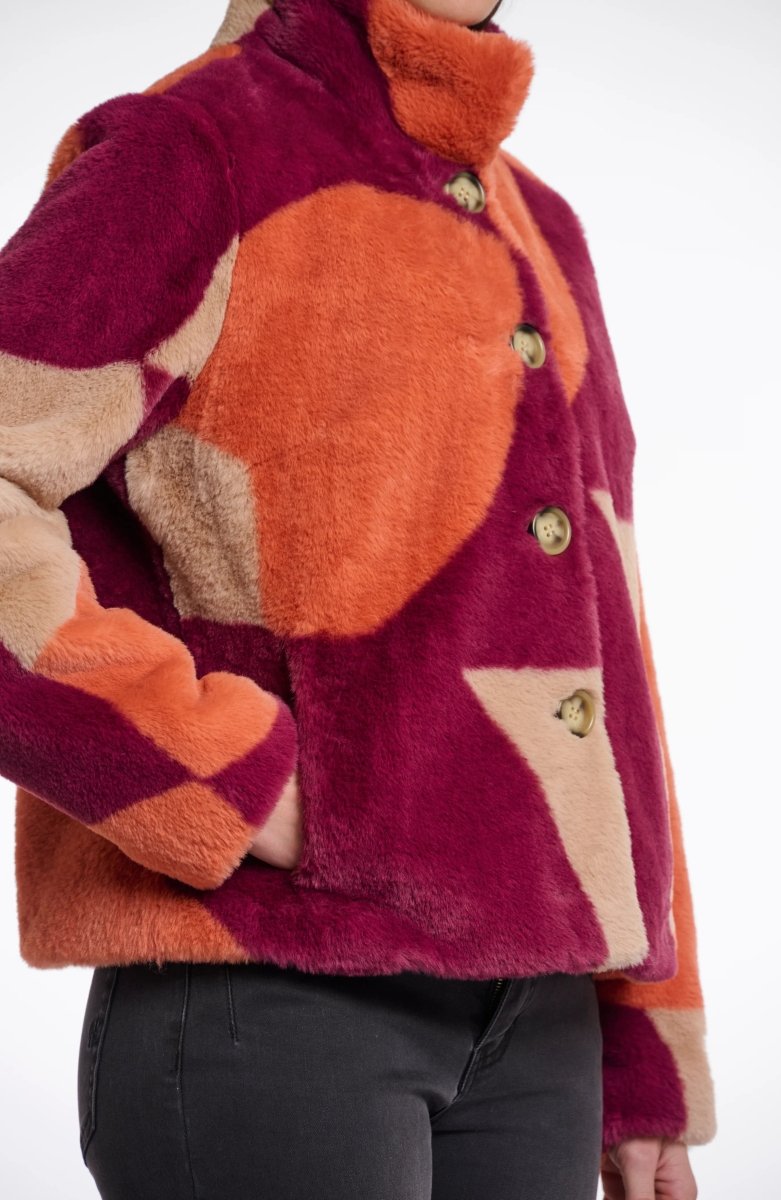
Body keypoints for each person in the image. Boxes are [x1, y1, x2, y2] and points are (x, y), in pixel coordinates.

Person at [0, 0, 717, 1197]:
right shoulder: (197, 148)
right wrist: (220, 772)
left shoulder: (545, 227)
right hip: (274, 990)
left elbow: (608, 650)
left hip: (541, 1025)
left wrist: (639, 1040)